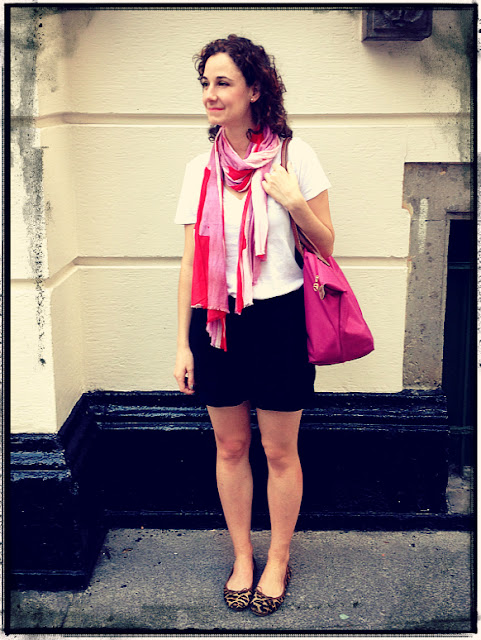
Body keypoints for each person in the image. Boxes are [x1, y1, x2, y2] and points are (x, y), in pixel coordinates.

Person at [174, 34, 334, 616]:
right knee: (231, 444)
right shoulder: (199, 170)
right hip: (217, 321)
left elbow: (327, 244)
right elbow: (190, 264)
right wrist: (182, 344)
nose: (211, 95)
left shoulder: (296, 156)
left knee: (279, 450)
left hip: (280, 319)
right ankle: (243, 555)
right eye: (206, 83)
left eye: (224, 83)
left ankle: (278, 559)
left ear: (255, 89)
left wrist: (293, 202)